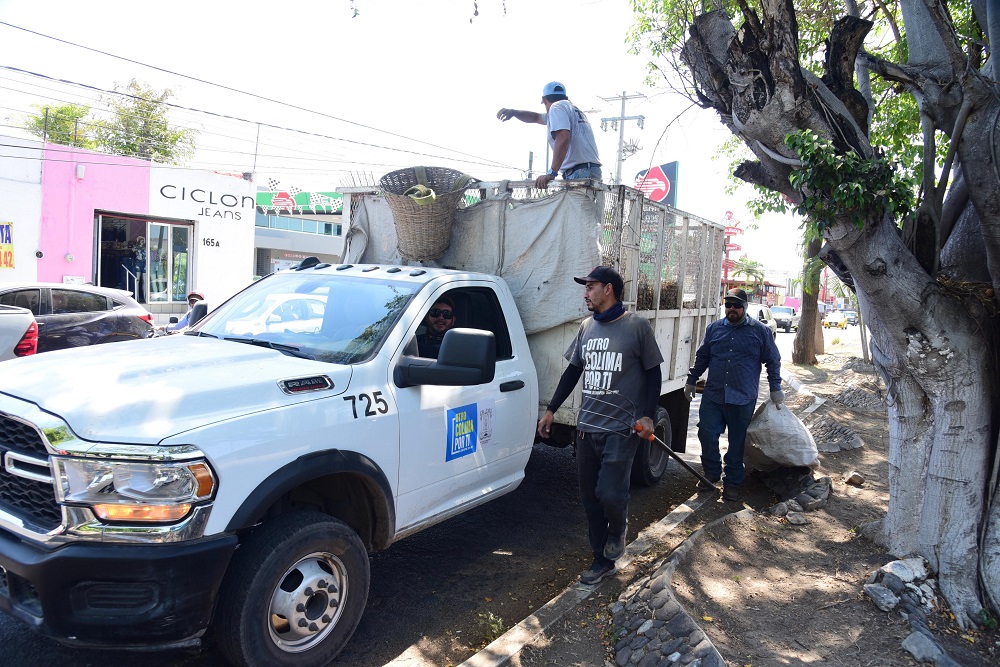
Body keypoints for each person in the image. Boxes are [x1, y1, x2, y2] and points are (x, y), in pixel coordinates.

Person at [537, 266, 663, 585]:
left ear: (608, 289)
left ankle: (618, 530)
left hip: (621, 429)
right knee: (589, 497)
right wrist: (551, 410)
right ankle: (601, 559)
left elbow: (653, 373)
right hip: (587, 428)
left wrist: (648, 415)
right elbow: (572, 372)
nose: (585, 293)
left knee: (610, 492)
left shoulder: (636, 327)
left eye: (590, 287)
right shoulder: (586, 327)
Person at [684, 288, 783, 502]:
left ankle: (732, 482)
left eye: (736, 305)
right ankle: (711, 473)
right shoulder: (714, 329)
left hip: (743, 397)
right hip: (714, 395)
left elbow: (773, 360)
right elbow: (702, 356)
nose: (732, 309)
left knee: (737, 442)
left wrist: (776, 388)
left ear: (744, 307)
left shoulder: (760, 332)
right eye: (728, 304)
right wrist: (692, 379)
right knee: (706, 433)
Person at [497, 81, 602, 189]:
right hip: (591, 170)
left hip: (579, 173)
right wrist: (514, 112)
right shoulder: (571, 108)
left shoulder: (556, 108)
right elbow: (536, 117)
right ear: (566, 97)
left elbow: (563, 138)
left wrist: (552, 172)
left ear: (544, 99)